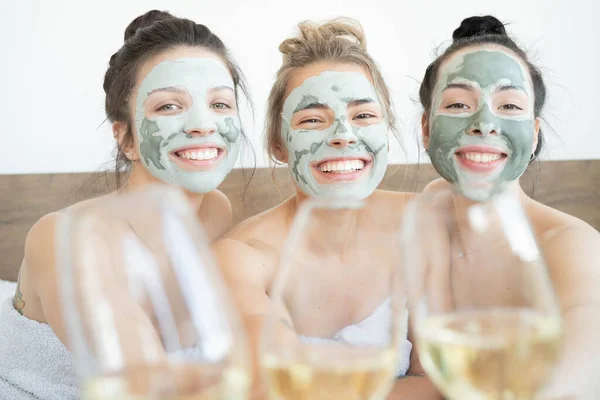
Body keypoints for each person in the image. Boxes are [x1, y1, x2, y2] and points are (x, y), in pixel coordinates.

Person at [1, 10, 251, 399]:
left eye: (220, 104)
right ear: (126, 139)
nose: (204, 123)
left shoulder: (215, 211)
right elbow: (146, 384)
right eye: (169, 106)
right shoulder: (66, 238)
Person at [214, 17, 438, 400]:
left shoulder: (422, 225)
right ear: (278, 144)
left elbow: (434, 381)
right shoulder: (242, 258)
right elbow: (276, 387)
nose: (343, 136)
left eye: (363, 115)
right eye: (313, 119)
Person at [418, 15, 600, 399]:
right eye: (457, 103)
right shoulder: (423, 217)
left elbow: (586, 371)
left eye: (509, 105)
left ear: (533, 135)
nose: (484, 123)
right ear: (426, 129)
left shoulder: (573, 244)